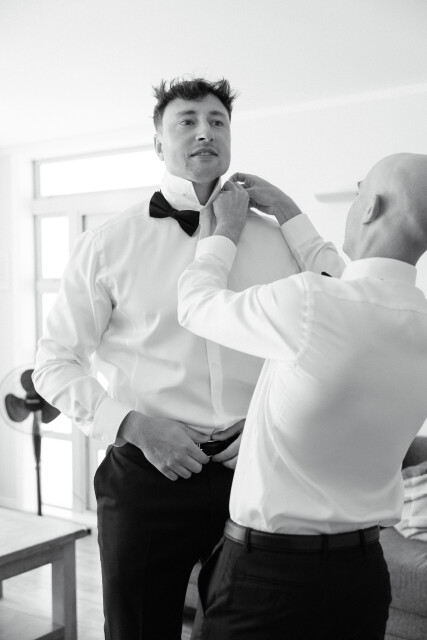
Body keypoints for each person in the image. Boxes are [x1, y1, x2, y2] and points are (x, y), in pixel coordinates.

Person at [32, 77, 344, 640]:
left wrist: (292, 214)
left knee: (252, 632)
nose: (205, 132)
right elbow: (53, 363)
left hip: (255, 471)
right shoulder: (107, 243)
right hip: (147, 472)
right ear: (158, 143)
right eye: (187, 121)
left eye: (218, 121)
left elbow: (344, 313)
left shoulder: (277, 239)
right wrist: (133, 426)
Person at [177, 153, 427, 640]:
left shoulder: (311, 301)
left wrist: (223, 233)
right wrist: (292, 216)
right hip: (363, 578)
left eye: (358, 192)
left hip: (270, 580)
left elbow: (196, 305)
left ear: (370, 207)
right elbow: (355, 289)